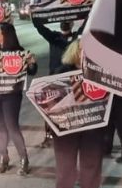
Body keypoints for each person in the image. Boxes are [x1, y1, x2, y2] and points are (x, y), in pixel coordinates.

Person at [50, 39, 105, 188]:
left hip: (93, 128)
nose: (86, 54)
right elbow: (50, 102)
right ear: (75, 52)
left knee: (91, 166)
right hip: (67, 129)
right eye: (82, 50)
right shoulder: (62, 72)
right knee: (65, 167)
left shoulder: (102, 74)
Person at [0, 22, 37, 174]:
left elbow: (31, 71)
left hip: (11, 96)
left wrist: (31, 63)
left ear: (5, 35)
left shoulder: (19, 52)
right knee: (0, 127)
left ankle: (24, 159)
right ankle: (3, 158)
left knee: (12, 127)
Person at [33, 18, 84, 147]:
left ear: (72, 24)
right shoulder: (54, 36)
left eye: (68, 21)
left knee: (70, 109)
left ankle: (70, 135)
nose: (65, 23)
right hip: (54, 78)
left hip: (70, 79)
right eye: (63, 21)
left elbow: (86, 24)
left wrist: (91, 9)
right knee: (50, 108)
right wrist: (33, 15)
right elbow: (40, 28)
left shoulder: (75, 38)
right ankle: (49, 135)